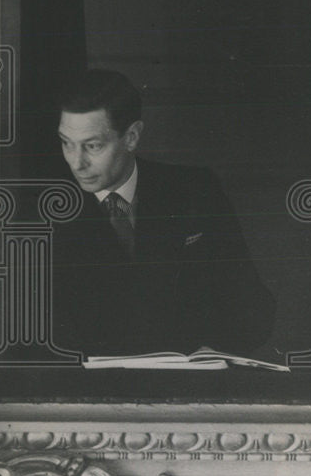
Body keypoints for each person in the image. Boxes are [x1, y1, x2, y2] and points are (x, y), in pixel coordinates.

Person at [52, 69, 275, 357]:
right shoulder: (46, 210)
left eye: (92, 146)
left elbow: (252, 305)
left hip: (190, 385)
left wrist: (217, 350)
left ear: (131, 137)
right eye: (66, 143)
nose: (76, 163)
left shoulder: (197, 190)